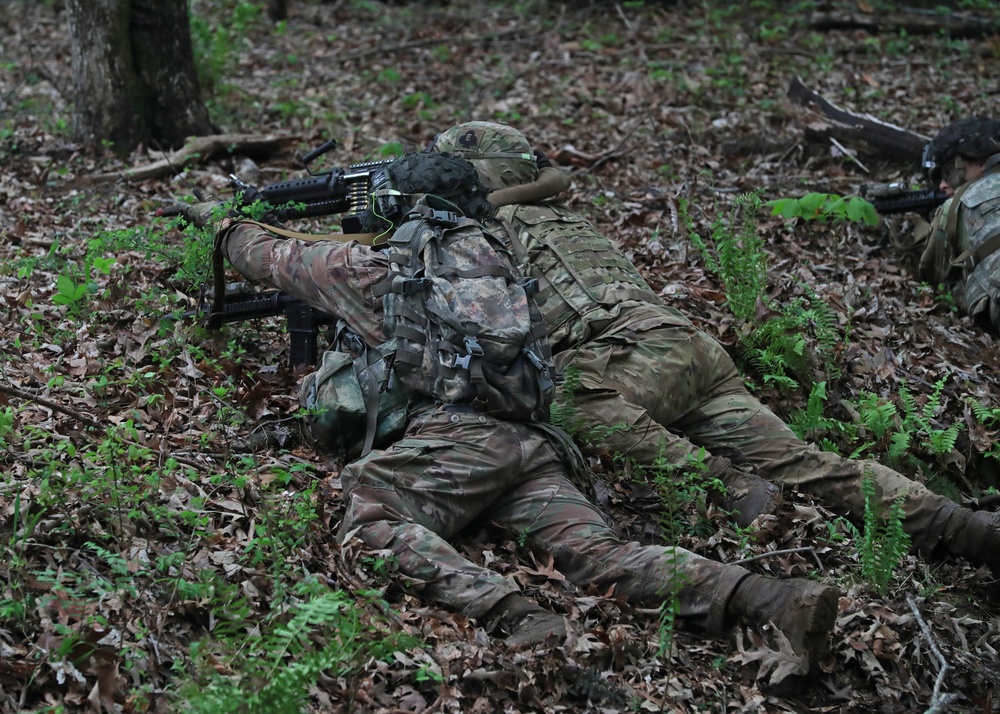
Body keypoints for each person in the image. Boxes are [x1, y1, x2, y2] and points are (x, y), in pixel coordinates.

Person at [193, 151, 840, 666]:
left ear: (401, 209)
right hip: (533, 441)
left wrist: (223, 225)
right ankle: (770, 598)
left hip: (460, 444)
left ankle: (511, 612)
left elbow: (267, 256)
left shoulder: (377, 270)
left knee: (367, 509)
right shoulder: (504, 254)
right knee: (599, 556)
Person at [429, 120, 1000, 573]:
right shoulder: (560, 215)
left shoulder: (484, 230)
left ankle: (733, 489)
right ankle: (967, 528)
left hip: (630, 351)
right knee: (808, 465)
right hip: (687, 348)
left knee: (570, 402)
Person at [918, 116, 1000, 333]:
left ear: (981, 162)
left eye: (947, 172)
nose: (943, 184)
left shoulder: (957, 204)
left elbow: (933, 274)